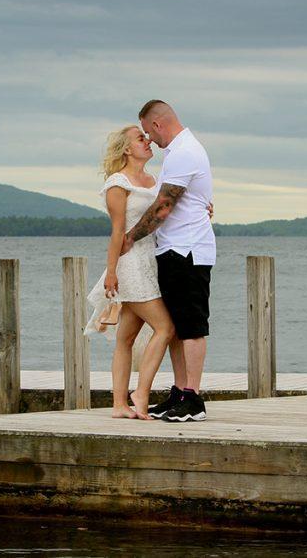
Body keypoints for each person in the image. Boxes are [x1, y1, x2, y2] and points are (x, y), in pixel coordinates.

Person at [122, 100, 215, 422]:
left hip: (188, 250)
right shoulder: (177, 153)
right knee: (175, 327)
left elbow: (164, 206)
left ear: (158, 125)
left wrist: (130, 238)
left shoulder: (185, 151)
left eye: (149, 132)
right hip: (173, 249)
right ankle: (179, 390)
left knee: (191, 327)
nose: (151, 140)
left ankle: (193, 397)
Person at [84, 125, 177, 419]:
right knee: (166, 328)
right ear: (126, 149)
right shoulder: (117, 183)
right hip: (131, 264)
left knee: (126, 338)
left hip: (154, 260)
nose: (147, 141)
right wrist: (111, 272)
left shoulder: (154, 179)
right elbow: (117, 233)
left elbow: (168, 209)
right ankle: (141, 393)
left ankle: (118, 406)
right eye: (141, 138)